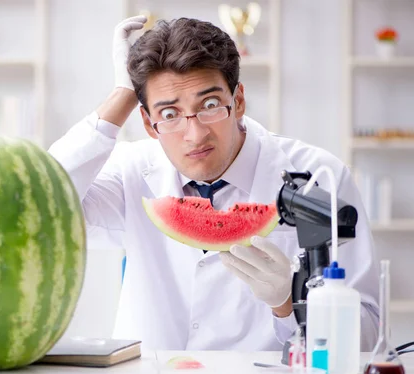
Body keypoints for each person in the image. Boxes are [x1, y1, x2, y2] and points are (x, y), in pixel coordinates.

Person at [48, 16, 380, 351]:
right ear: (148, 124)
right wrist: (122, 95)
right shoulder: (131, 171)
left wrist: (289, 304)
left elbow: (367, 337)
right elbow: (44, 205)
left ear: (237, 102)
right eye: (169, 114)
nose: (195, 135)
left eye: (209, 106)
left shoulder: (319, 177)